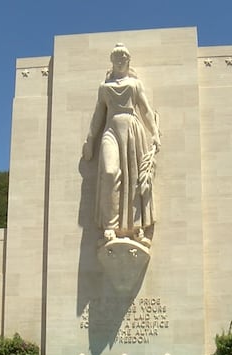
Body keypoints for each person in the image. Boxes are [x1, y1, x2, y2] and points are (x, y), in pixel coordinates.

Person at [83, 43, 161, 247]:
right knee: (109, 172)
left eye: (123, 57)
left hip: (133, 131)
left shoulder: (135, 85)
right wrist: (90, 140)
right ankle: (110, 225)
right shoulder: (104, 88)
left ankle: (137, 227)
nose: (119, 61)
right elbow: (98, 115)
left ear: (128, 60)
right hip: (111, 130)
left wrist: (154, 133)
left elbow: (145, 109)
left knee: (134, 177)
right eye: (116, 57)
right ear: (112, 61)